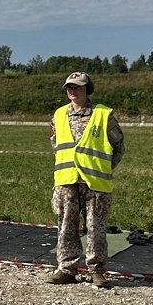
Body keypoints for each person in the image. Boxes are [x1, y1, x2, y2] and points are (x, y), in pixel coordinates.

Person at [49, 71, 126, 288]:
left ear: (87, 89)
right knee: (65, 226)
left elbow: (118, 147)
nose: (72, 91)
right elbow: (56, 145)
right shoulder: (58, 115)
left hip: (95, 183)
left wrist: (103, 169)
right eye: (69, 87)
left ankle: (97, 271)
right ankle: (66, 269)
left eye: (77, 87)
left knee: (95, 228)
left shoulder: (103, 115)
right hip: (66, 181)